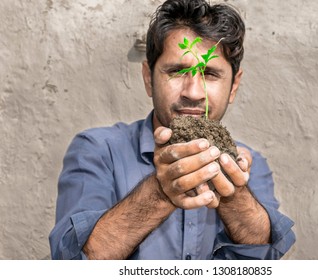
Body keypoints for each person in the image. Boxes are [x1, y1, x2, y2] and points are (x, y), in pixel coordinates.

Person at [49, 0, 295, 260]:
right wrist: (161, 191)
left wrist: (234, 195)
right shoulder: (98, 150)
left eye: (210, 74)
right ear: (148, 78)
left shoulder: (248, 164)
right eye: (177, 71)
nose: (193, 92)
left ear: (233, 86)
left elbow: (265, 259)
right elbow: (72, 262)